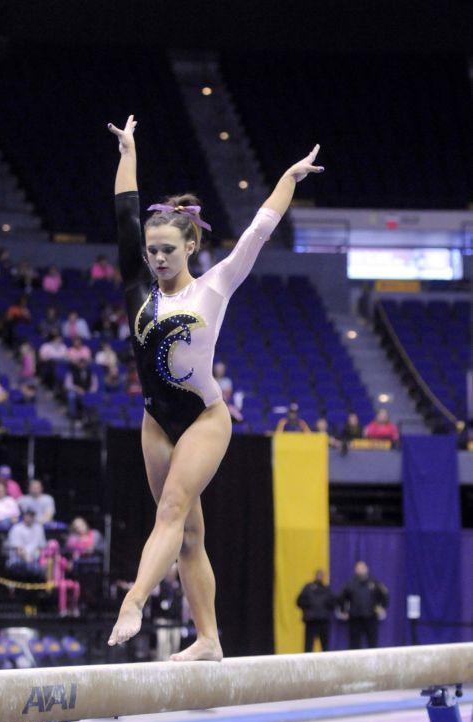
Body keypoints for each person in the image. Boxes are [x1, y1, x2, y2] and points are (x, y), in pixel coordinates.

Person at [106, 114, 324, 659]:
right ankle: (209, 639)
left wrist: (289, 180)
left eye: (168, 251)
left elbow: (258, 231)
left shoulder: (215, 287)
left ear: (190, 248)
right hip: (156, 421)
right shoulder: (138, 286)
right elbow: (124, 215)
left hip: (205, 418)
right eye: (152, 250)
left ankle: (134, 600)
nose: (156, 258)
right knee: (190, 536)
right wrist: (128, 152)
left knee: (172, 511)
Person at [337, 560, 389, 649]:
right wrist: (344, 611)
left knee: (372, 643)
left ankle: (373, 662)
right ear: (355, 570)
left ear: (367, 569)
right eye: (358, 568)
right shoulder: (350, 584)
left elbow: (384, 595)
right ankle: (354, 662)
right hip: (355, 618)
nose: (361, 570)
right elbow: (341, 598)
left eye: (362, 568)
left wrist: (382, 607)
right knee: (354, 644)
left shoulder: (375, 583)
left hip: (371, 617)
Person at [296, 569, 336, 652]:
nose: (319, 577)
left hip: (323, 621)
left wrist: (326, 609)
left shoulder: (327, 589)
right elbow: (299, 601)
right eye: (318, 575)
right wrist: (309, 608)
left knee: (325, 646)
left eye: (321, 575)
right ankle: (306, 662)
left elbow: (333, 603)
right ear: (315, 575)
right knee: (308, 646)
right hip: (311, 621)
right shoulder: (308, 588)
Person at [6, 508, 46, 576]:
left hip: (34, 559)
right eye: (28, 515)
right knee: (30, 567)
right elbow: (18, 550)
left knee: (47, 565)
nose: (30, 518)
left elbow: (41, 547)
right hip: (19, 560)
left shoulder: (39, 528)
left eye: (32, 516)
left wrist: (40, 560)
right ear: (24, 516)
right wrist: (28, 560)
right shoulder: (16, 528)